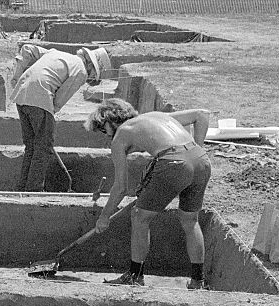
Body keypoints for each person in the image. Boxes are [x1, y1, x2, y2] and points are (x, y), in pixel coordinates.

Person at [85, 98, 212, 288]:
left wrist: (104, 217)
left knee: (139, 216)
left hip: (173, 163)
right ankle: (198, 281)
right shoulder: (156, 117)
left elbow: (120, 187)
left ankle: (135, 276)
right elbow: (202, 114)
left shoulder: (121, 135)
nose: (106, 136)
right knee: (189, 219)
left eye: (103, 130)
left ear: (110, 120)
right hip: (201, 160)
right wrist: (198, 146)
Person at [11, 46, 109, 192]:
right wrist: (51, 114)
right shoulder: (81, 70)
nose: (90, 79)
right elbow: (60, 99)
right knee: (43, 147)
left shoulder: (56, 52)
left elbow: (27, 49)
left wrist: (16, 76)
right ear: (90, 65)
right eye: (93, 75)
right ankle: (33, 190)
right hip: (40, 97)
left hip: (21, 94)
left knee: (32, 146)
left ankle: (22, 187)